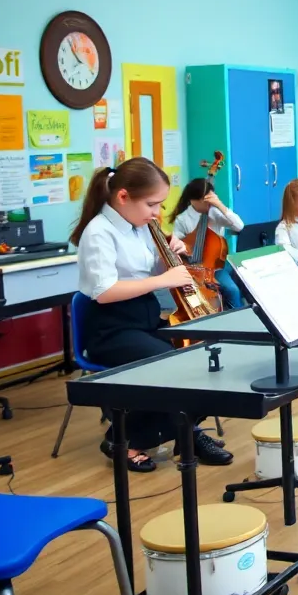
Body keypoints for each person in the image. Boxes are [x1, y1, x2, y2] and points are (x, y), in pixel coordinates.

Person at [73, 157, 233, 472]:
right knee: (174, 370)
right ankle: (124, 438)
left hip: (143, 319)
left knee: (204, 357)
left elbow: (150, 269)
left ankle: (186, 431)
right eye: (152, 204)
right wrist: (163, 280)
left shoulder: (140, 226)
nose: (157, 213)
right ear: (123, 197)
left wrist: (170, 255)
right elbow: (104, 292)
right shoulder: (99, 233)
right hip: (111, 329)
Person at [169, 177, 245, 308]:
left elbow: (239, 226)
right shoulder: (183, 219)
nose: (209, 205)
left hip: (216, 268)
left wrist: (220, 205)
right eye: (206, 201)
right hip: (193, 267)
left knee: (233, 289)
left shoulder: (215, 212)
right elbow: (176, 245)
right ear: (193, 201)